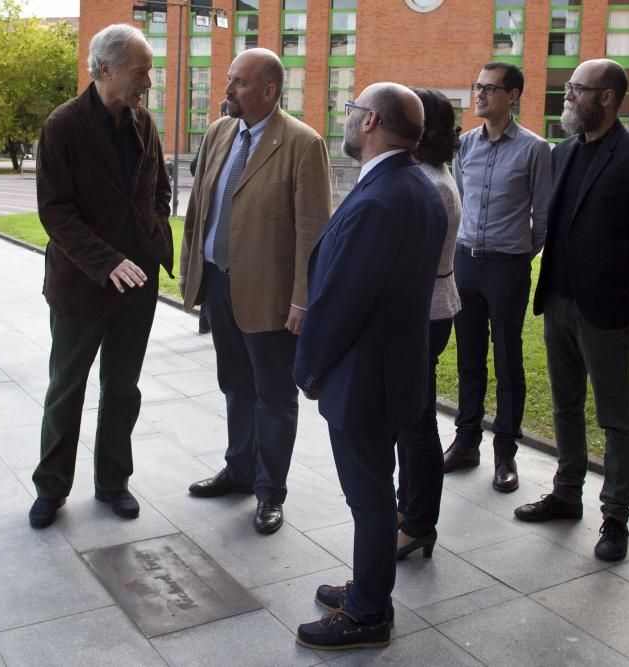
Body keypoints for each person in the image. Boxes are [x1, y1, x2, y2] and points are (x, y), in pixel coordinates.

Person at [293, 83, 446, 650]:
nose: (346, 116)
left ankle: (367, 613)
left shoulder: (384, 196)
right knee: (376, 494)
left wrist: (307, 371)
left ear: (371, 121)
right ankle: (369, 585)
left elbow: (343, 299)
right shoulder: (416, 184)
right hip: (391, 367)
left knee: (371, 497)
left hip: (365, 375)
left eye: (352, 109)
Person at [514, 59, 629, 562]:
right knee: (565, 407)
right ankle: (566, 494)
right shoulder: (562, 153)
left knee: (615, 419)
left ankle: (616, 518)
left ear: (606, 97)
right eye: (567, 88)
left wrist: (620, 288)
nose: (566, 96)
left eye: (575, 90)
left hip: (606, 313)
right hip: (557, 301)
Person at [180, 48, 331, 535]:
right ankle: (239, 470)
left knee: (274, 396)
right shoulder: (218, 133)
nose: (228, 91)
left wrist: (302, 300)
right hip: (220, 282)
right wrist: (193, 273)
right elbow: (200, 209)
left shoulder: (304, 145)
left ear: (269, 90)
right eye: (229, 80)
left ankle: (270, 492)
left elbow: (313, 234)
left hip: (271, 297)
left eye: (239, 83)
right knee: (234, 385)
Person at [28, 24, 173, 529]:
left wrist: (152, 236)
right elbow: (56, 212)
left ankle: (114, 482)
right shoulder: (62, 126)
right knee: (67, 387)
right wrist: (107, 261)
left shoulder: (144, 123)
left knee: (123, 388)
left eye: (150, 72)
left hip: (138, 284)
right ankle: (51, 488)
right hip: (82, 284)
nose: (148, 82)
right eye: (142, 71)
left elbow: (159, 187)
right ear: (106, 69)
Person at [445, 62, 551, 493]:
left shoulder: (535, 150)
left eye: (490, 88)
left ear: (513, 97)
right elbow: (459, 203)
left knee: (508, 356)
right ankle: (466, 441)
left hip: (508, 265)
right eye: (478, 87)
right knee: (469, 356)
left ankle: (505, 452)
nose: (480, 95)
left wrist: (520, 254)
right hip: (465, 262)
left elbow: (542, 218)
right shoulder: (465, 145)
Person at [395, 88, 462, 561]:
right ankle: (409, 512)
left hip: (423, 314)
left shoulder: (428, 183)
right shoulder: (429, 175)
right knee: (410, 421)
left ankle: (418, 523)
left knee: (417, 425)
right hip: (427, 310)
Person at [190, 100, 228, 335]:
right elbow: (197, 166)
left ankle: (206, 320)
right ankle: (205, 320)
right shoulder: (216, 134)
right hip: (213, 251)